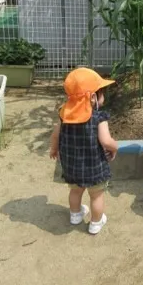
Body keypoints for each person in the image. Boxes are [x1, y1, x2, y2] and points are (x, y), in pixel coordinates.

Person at [50, 68, 118, 234]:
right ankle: (95, 223)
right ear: (93, 97)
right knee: (96, 195)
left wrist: (54, 149)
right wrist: (115, 147)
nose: (104, 97)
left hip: (72, 166)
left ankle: (75, 215)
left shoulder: (64, 114)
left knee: (75, 190)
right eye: (101, 93)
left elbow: (55, 136)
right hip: (94, 166)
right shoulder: (98, 117)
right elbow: (106, 141)